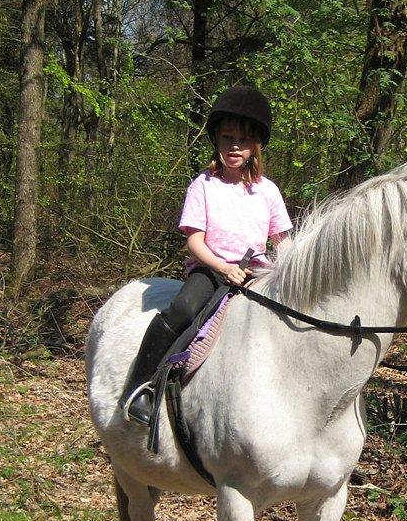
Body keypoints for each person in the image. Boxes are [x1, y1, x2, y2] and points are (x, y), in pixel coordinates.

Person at [121, 85, 293, 425]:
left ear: (254, 146)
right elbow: (195, 242)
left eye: (243, 141)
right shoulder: (202, 185)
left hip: (259, 274)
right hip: (211, 271)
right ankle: (140, 386)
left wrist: (290, 270)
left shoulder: (268, 191)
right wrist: (223, 267)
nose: (234, 147)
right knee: (182, 309)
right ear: (216, 139)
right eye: (228, 138)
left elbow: (282, 242)